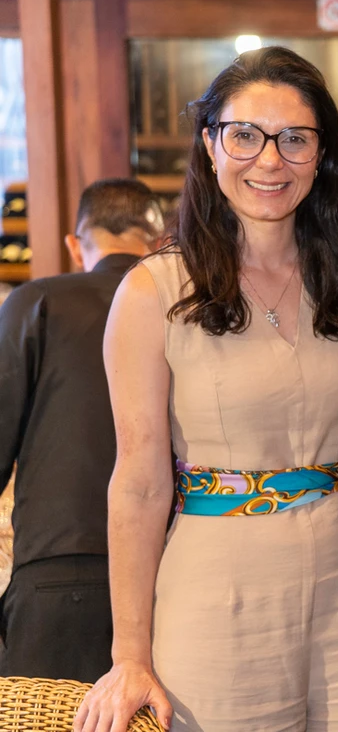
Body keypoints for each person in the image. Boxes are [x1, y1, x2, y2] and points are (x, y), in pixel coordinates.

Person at [74, 47, 338, 732]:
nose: (269, 161)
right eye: (245, 135)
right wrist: (130, 654)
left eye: (294, 139)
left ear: (321, 153)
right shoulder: (154, 290)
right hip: (217, 597)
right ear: (211, 144)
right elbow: (139, 482)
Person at [0, 179, 162, 682]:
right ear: (158, 243)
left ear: (76, 245)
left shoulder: (36, 302)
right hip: (167, 570)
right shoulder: (184, 309)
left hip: (57, 564)